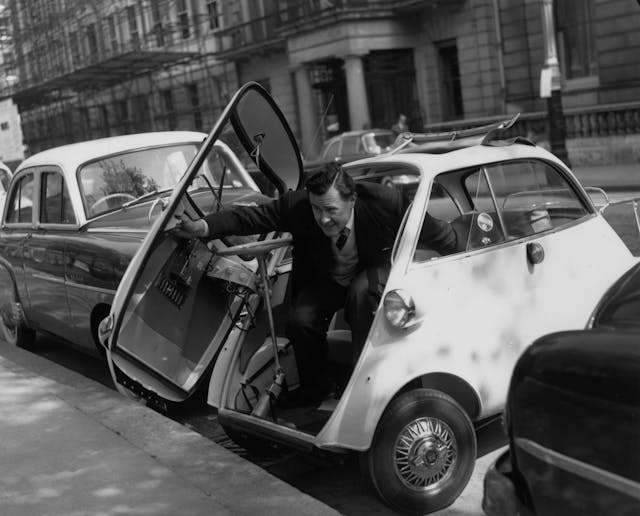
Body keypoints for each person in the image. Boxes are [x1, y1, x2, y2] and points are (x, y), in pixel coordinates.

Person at [173, 164, 458, 404]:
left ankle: (367, 387)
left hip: (373, 272)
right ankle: (317, 388)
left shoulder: (387, 202)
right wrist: (203, 227)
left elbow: (434, 232)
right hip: (328, 278)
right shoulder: (297, 206)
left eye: (331, 209)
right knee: (300, 321)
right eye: (316, 209)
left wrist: (462, 254)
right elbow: (250, 217)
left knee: (361, 296)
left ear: (352, 200)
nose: (323, 218)